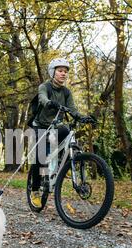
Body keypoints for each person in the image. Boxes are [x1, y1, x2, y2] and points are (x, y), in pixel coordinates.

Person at [30, 58, 95, 207]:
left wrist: (83, 118)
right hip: (40, 125)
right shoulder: (45, 86)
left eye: (65, 72)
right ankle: (35, 191)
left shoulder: (66, 92)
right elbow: (42, 98)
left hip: (55, 126)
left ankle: (62, 161)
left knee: (67, 130)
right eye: (60, 71)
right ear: (53, 72)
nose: (63, 74)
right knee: (40, 158)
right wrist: (49, 103)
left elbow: (72, 109)